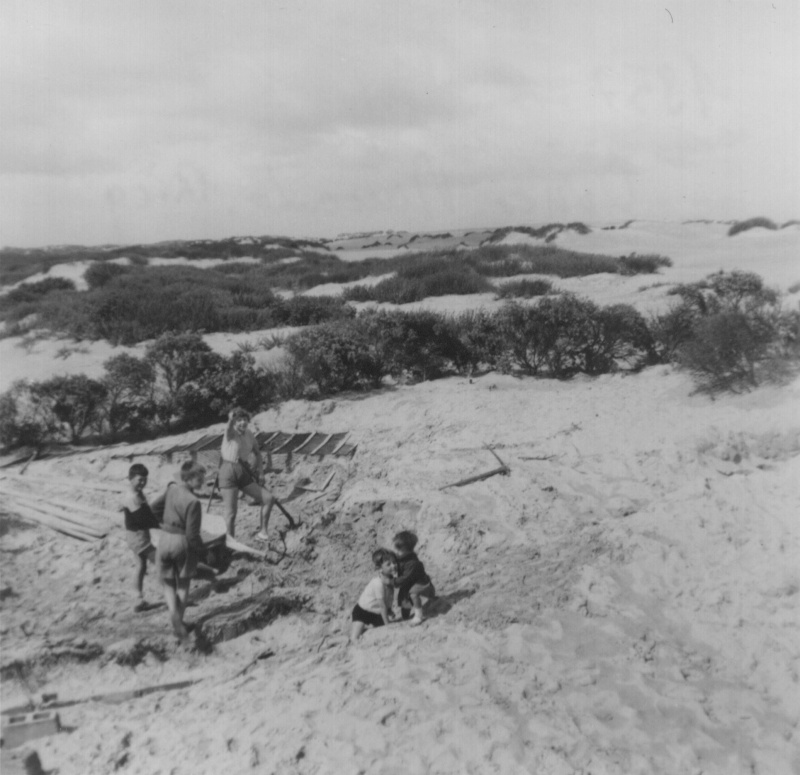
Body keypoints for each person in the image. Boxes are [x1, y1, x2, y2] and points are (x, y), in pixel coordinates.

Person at [157, 461, 205, 641]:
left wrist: (164, 524)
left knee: (168, 582)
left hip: (164, 540)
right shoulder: (193, 501)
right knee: (183, 584)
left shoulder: (171, 490)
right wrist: (203, 551)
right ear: (189, 478)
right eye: (199, 479)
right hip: (181, 542)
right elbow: (192, 535)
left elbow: (155, 508)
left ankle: (174, 617)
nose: (202, 483)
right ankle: (179, 622)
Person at [219, 407, 275, 540]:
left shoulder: (249, 434)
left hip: (243, 470)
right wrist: (230, 419)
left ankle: (263, 533)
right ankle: (229, 545)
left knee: (268, 499)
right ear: (234, 422)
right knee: (231, 514)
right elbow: (228, 428)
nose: (242, 423)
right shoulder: (230, 432)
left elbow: (257, 453)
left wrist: (261, 472)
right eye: (239, 420)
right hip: (228, 471)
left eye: (244, 420)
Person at [121, 464, 160, 612]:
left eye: (145, 480)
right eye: (139, 480)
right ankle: (175, 597)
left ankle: (138, 599)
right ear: (130, 479)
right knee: (162, 562)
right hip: (138, 538)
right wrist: (160, 525)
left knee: (141, 566)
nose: (142, 483)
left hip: (136, 536)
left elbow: (148, 513)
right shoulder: (131, 498)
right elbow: (143, 519)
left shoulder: (138, 493)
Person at [350, 549, 398, 641]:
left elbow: (388, 598)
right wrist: (388, 626)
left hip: (375, 613)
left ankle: (365, 628)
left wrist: (389, 610)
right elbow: (382, 605)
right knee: (354, 639)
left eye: (394, 562)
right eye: (388, 564)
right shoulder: (378, 583)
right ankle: (330, 641)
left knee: (373, 631)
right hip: (362, 612)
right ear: (379, 568)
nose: (393, 565)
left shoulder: (390, 581)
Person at [393, 531, 435, 626]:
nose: (397, 552)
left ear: (409, 550)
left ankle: (418, 616)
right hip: (409, 583)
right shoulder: (401, 556)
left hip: (421, 582)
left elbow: (405, 578)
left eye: (399, 550)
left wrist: (393, 581)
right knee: (404, 599)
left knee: (413, 594)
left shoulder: (413, 563)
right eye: (396, 549)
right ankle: (405, 616)